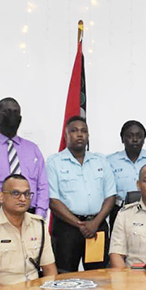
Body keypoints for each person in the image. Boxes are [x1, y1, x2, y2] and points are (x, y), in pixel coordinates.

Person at [46, 116, 116, 272]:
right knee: (65, 275)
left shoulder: (101, 161)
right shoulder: (54, 163)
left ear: (88, 136)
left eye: (84, 131)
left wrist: (95, 223)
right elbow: (53, 200)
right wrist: (80, 225)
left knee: (98, 275)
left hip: (96, 226)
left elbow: (110, 196)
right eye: (74, 131)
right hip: (67, 229)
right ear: (66, 136)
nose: (79, 134)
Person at [0, 174, 58, 290]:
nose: (22, 199)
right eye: (15, 193)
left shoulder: (38, 225)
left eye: (26, 194)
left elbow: (50, 270)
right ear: (1, 196)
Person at [0, 97, 49, 217]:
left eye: (15, 112)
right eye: (7, 112)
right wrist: (0, 217)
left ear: (20, 118)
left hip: (32, 215)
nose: (12, 115)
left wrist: (39, 216)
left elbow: (43, 186)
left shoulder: (33, 149)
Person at [107, 120, 146, 223]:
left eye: (139, 136)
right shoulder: (110, 161)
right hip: (121, 210)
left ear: (144, 139)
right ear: (122, 139)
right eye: (130, 136)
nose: (135, 139)